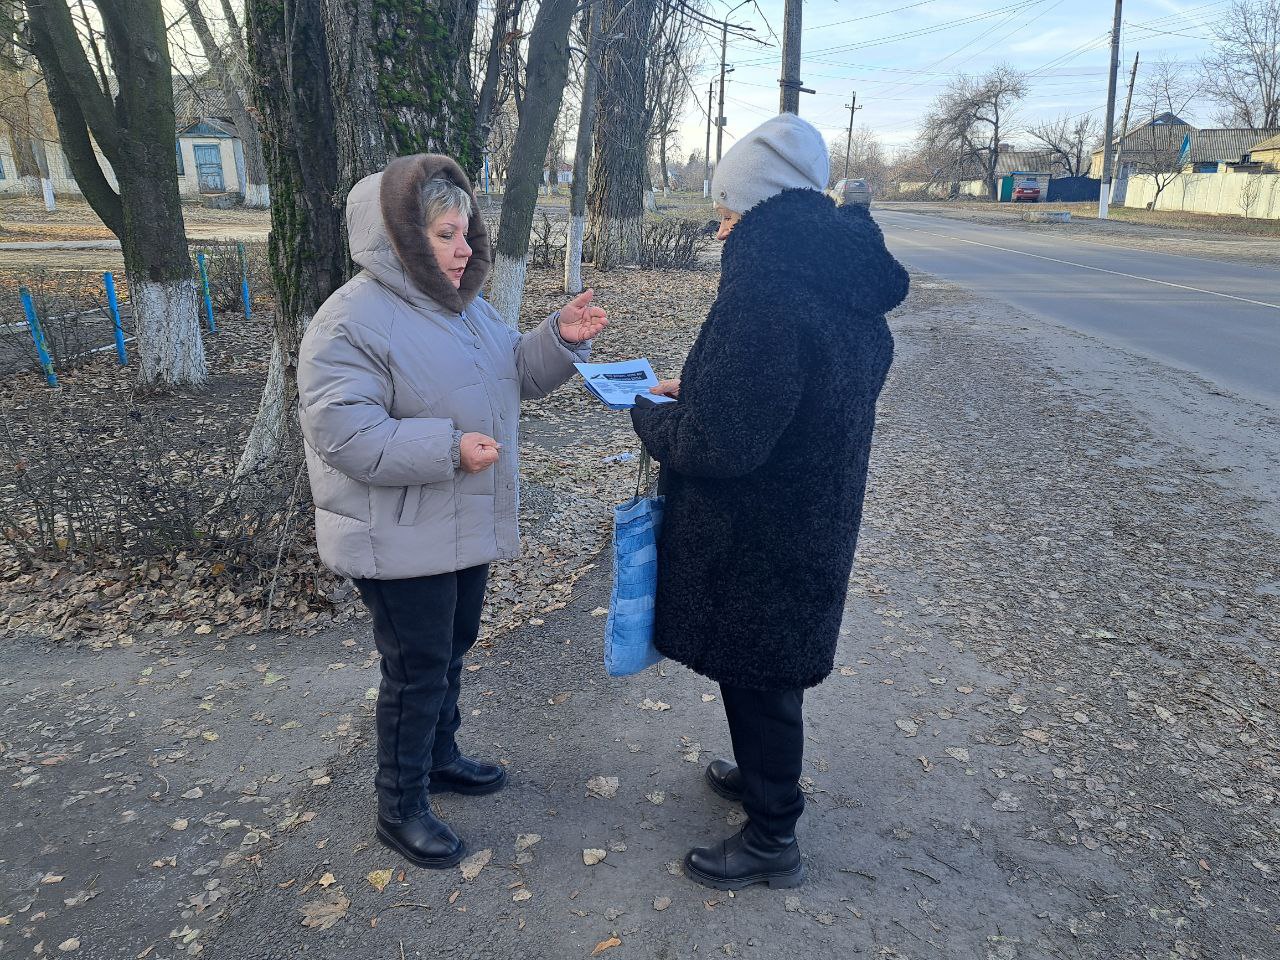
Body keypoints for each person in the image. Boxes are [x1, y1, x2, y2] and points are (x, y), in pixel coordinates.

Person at [297, 154, 607, 870]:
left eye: (466, 233)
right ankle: (400, 805)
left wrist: (559, 339)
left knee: (452, 646)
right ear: (401, 237)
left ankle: (439, 758)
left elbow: (515, 371)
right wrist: (448, 448)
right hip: (397, 533)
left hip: (458, 525)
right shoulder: (348, 322)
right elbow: (344, 433)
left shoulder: (465, 307)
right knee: (416, 667)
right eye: (445, 235)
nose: (464, 249)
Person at [631, 114, 909, 890]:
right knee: (761, 670)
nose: (721, 230)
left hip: (758, 531)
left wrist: (651, 415)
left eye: (728, 213)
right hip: (807, 513)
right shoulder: (839, 278)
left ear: (759, 210)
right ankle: (760, 778)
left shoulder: (768, 296)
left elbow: (720, 444)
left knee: (760, 677)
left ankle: (772, 835)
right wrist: (704, 392)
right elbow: (794, 394)